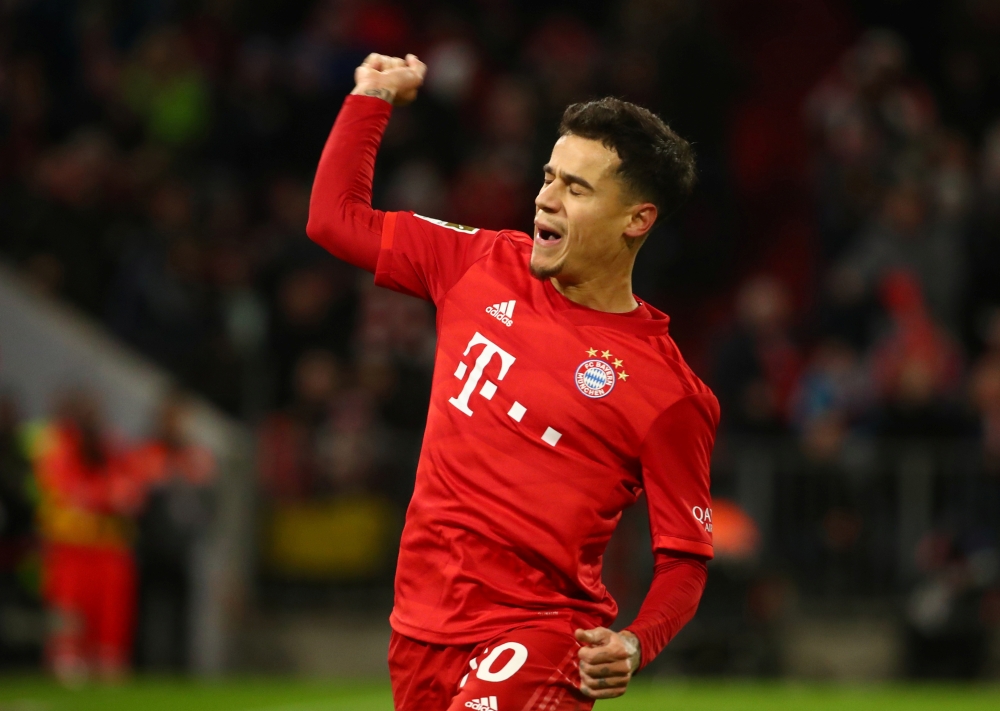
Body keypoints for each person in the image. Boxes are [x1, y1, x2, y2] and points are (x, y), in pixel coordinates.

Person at [307, 53, 718, 710]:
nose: (545, 197)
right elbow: (334, 218)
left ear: (636, 219)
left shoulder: (669, 393)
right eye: (549, 176)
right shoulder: (477, 262)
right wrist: (372, 97)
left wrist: (636, 642)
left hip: (543, 634)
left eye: (576, 188)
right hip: (419, 626)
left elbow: (684, 559)